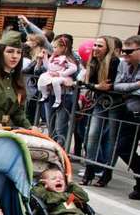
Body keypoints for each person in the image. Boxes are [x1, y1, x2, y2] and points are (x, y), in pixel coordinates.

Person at [81, 36, 121, 186]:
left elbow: (110, 85)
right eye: (95, 45)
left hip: (115, 104)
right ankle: (89, 170)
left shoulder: (114, 62)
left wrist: (97, 86)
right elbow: (88, 83)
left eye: (100, 46)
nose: (95, 48)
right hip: (99, 102)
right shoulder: (93, 61)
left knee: (112, 139)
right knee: (91, 135)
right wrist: (97, 86)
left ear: (108, 49)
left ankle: (107, 173)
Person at [113, 35, 140, 199]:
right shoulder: (124, 65)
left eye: (129, 51)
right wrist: (136, 85)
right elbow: (117, 86)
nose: (125, 54)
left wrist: (127, 90)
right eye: (123, 51)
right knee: (123, 148)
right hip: (130, 114)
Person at [37, 37, 78, 109]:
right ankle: (44, 95)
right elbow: (48, 66)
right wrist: (45, 57)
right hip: (51, 75)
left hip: (62, 78)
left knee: (55, 81)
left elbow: (74, 68)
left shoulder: (66, 58)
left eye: (55, 47)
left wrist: (61, 74)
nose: (53, 49)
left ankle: (58, 100)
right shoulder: (54, 57)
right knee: (42, 77)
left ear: (63, 48)